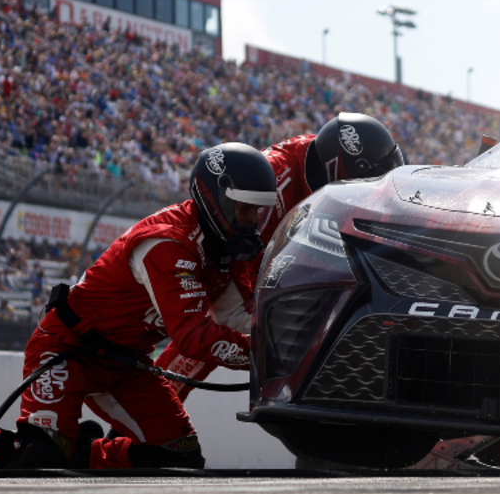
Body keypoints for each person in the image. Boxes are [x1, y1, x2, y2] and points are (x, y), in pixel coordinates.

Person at [0, 144, 279, 474]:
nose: (252, 222)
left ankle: (85, 451)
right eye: (244, 209)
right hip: (68, 350)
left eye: (258, 213)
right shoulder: (168, 243)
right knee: (40, 454)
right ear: (215, 200)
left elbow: (240, 319)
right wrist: (272, 355)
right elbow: (193, 337)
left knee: (180, 457)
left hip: (126, 363)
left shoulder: (228, 252)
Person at [153, 113, 404, 391]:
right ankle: (160, 398)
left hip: (272, 262)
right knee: (229, 334)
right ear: (343, 169)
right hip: (236, 264)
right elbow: (236, 244)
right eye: (370, 178)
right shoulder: (277, 177)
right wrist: (254, 311)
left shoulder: (323, 161)